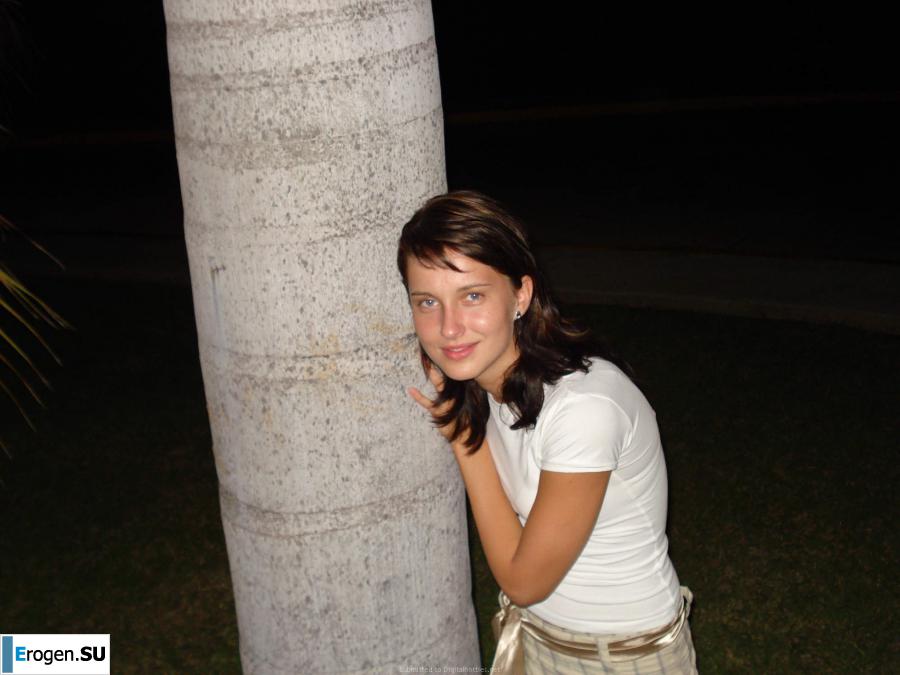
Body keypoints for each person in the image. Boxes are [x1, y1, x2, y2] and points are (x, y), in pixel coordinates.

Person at [397, 190, 698, 674]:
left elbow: (524, 581)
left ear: (521, 295)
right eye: (427, 302)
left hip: (624, 658)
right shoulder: (487, 384)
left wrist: (463, 441)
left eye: (472, 296)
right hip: (535, 638)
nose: (449, 328)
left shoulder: (583, 407)